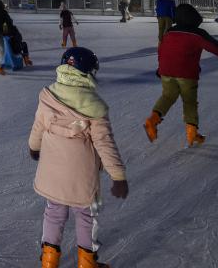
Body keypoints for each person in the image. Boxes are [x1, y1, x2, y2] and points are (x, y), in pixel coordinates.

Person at [29, 47, 128, 268]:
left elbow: (38, 126)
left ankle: (49, 259)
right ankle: (86, 262)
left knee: (54, 212)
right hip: (81, 176)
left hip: (52, 171)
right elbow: (104, 143)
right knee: (85, 216)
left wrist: (34, 147)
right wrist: (118, 175)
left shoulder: (49, 95)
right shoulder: (95, 107)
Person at [143, 4, 218, 147]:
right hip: (186, 74)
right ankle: (192, 133)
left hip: (166, 71)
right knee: (189, 102)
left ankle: (152, 120)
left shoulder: (169, 32)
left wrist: (160, 69)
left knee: (167, 96)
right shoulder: (198, 34)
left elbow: (162, 50)